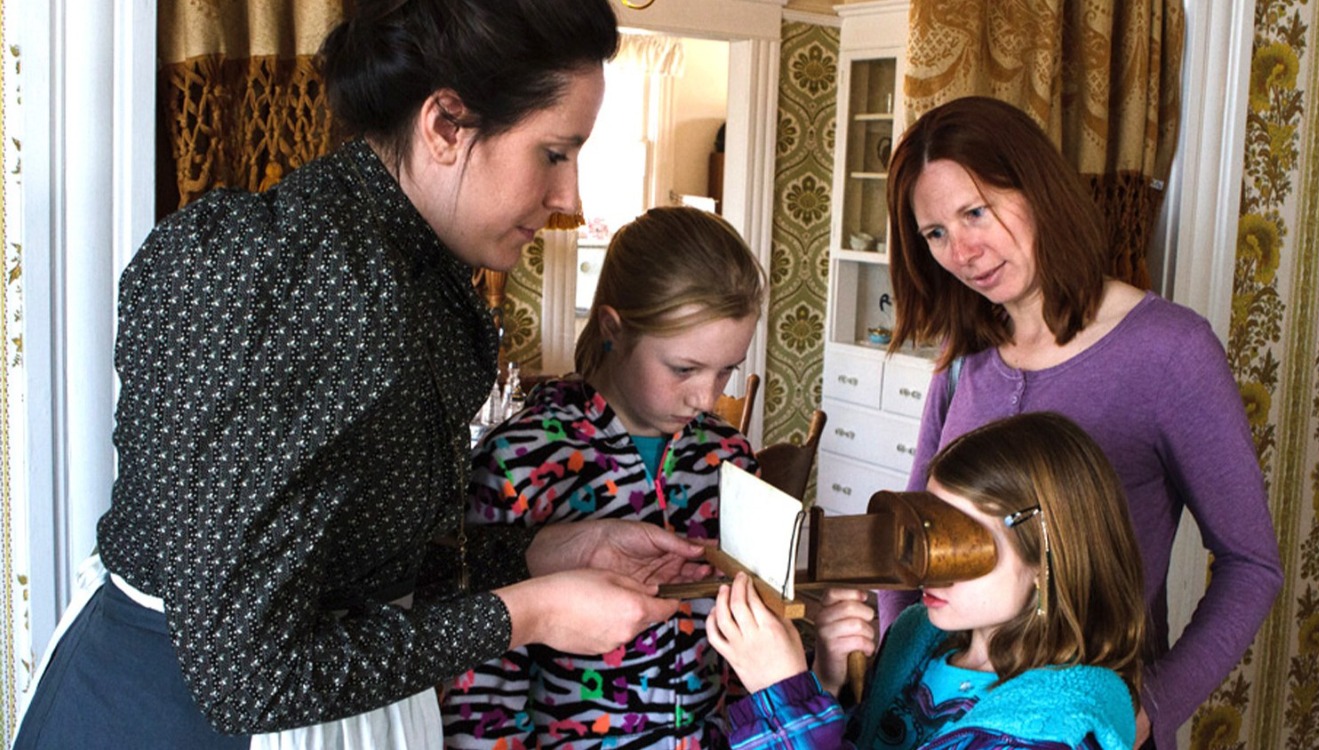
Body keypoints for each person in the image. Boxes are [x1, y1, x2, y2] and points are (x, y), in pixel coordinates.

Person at [12, 2, 717, 748]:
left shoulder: (409, 269)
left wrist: (544, 553)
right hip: (178, 717)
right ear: (445, 125)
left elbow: (356, 558)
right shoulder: (277, 279)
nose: (568, 198)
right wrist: (530, 613)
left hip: (345, 699)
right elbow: (244, 677)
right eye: (553, 153)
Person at [878, 95, 1283, 749]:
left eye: (975, 212)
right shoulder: (961, 359)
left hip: (1087, 727)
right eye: (935, 233)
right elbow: (916, 535)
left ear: (1037, 191)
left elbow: (1250, 564)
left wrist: (1150, 704)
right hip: (945, 720)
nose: (962, 251)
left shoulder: (1169, 351)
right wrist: (889, 673)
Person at [441, 205, 766, 749]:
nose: (707, 398)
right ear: (615, 329)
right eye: (683, 369)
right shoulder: (523, 462)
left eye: (727, 370)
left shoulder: (730, 460)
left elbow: (747, 658)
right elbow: (484, 683)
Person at [708, 412, 1148, 749]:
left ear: (1046, 557)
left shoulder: (1059, 722)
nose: (928, 563)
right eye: (928, 528)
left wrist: (784, 695)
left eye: (961, 539)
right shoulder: (917, 638)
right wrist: (825, 681)